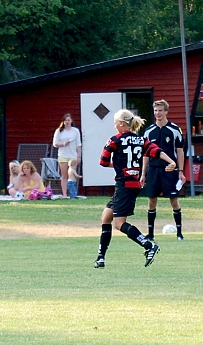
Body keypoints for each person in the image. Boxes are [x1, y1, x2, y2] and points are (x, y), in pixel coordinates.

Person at [95, 109, 175, 269]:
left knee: (119, 223)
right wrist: (171, 162)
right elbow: (156, 151)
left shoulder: (114, 140)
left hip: (124, 184)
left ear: (122, 124)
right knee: (106, 217)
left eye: (115, 122)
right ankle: (101, 257)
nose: (114, 125)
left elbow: (103, 161)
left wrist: (118, 166)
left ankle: (148, 245)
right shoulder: (141, 140)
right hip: (133, 185)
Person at [142, 100, 186, 241]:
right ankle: (150, 234)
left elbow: (180, 151)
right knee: (151, 201)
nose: (157, 113)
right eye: (155, 111)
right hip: (154, 170)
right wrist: (143, 173)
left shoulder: (174, 130)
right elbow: (145, 154)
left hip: (170, 171)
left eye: (160, 110)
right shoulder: (148, 131)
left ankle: (179, 233)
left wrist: (180, 170)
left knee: (174, 201)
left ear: (166, 111)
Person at [52, 113, 82, 198]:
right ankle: (64, 194)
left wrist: (79, 156)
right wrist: (64, 144)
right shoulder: (59, 131)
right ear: (63, 122)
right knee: (64, 175)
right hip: (63, 155)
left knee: (72, 175)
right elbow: (55, 143)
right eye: (65, 120)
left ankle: (72, 193)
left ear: (71, 121)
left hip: (73, 155)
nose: (67, 122)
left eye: (68, 120)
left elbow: (78, 144)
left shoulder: (75, 131)